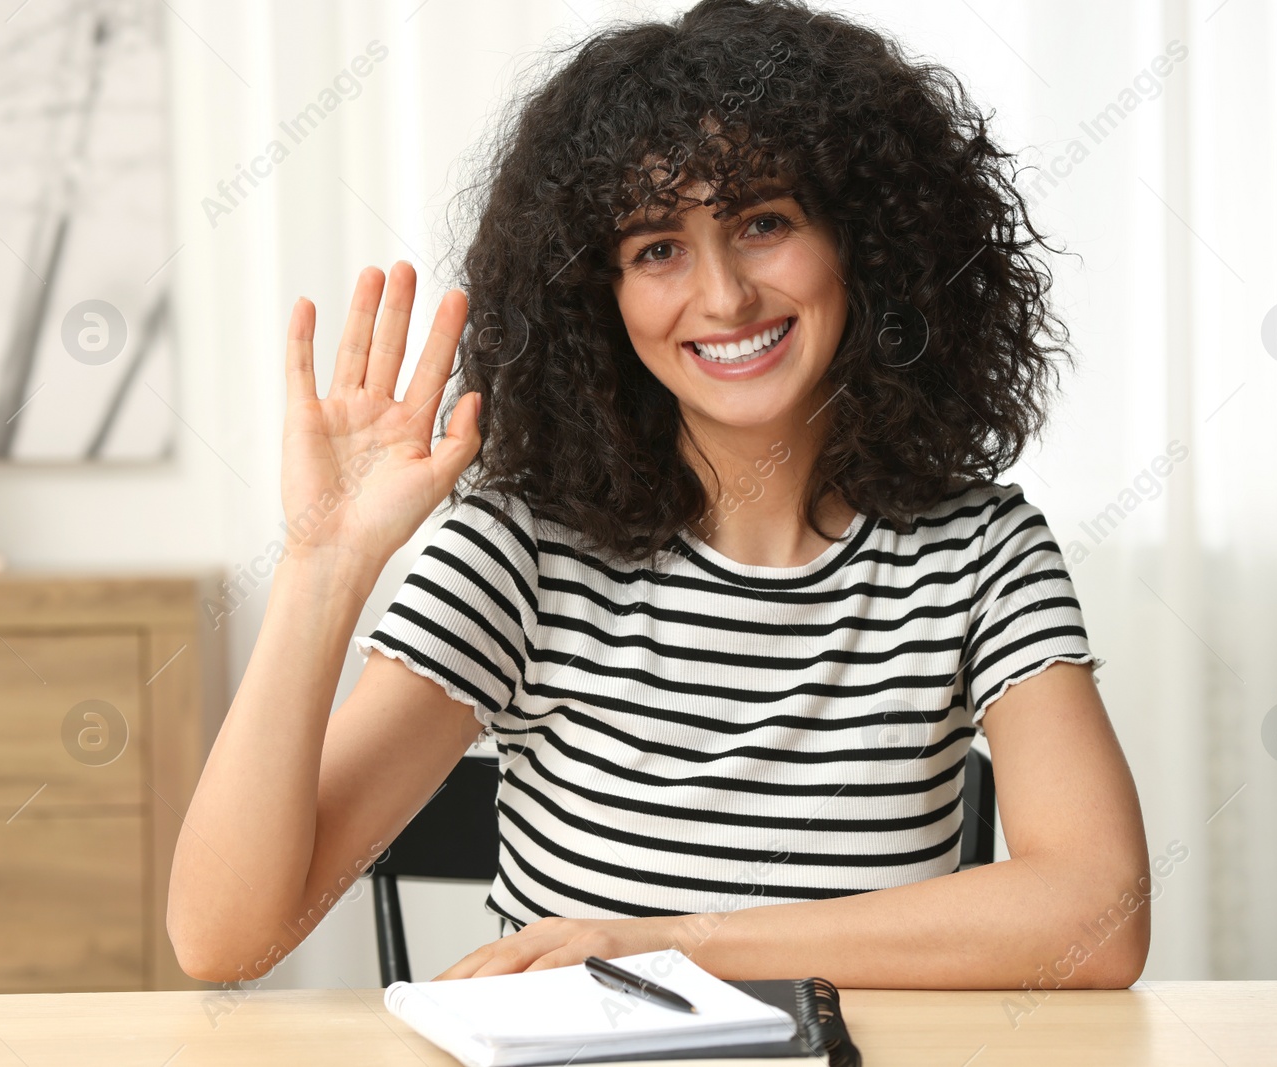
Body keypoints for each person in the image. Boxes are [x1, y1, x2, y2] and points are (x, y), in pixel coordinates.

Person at [167, 0, 1150, 990]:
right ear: (599, 298)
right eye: (656, 248)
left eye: (762, 222)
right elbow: (222, 939)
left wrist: (669, 941)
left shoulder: (979, 551)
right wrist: (322, 564)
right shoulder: (521, 553)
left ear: (865, 242)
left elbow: (1098, 913)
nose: (723, 298)